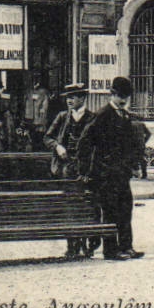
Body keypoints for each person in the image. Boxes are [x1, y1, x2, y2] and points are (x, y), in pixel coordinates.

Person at [77, 76, 145, 261]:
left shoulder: (124, 115)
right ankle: (111, 250)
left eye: (126, 96)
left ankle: (126, 246)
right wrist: (87, 169)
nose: (123, 100)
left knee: (125, 208)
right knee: (110, 211)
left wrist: (132, 164)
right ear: (112, 94)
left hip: (122, 173)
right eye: (119, 96)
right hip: (105, 174)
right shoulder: (103, 115)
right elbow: (85, 142)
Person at [46, 83, 95, 257]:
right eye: (68, 97)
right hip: (66, 168)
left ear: (82, 98)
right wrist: (57, 146)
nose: (69, 100)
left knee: (85, 204)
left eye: (73, 97)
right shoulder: (62, 117)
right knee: (70, 205)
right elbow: (48, 137)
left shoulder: (91, 118)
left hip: (84, 169)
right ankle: (72, 243)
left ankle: (85, 241)